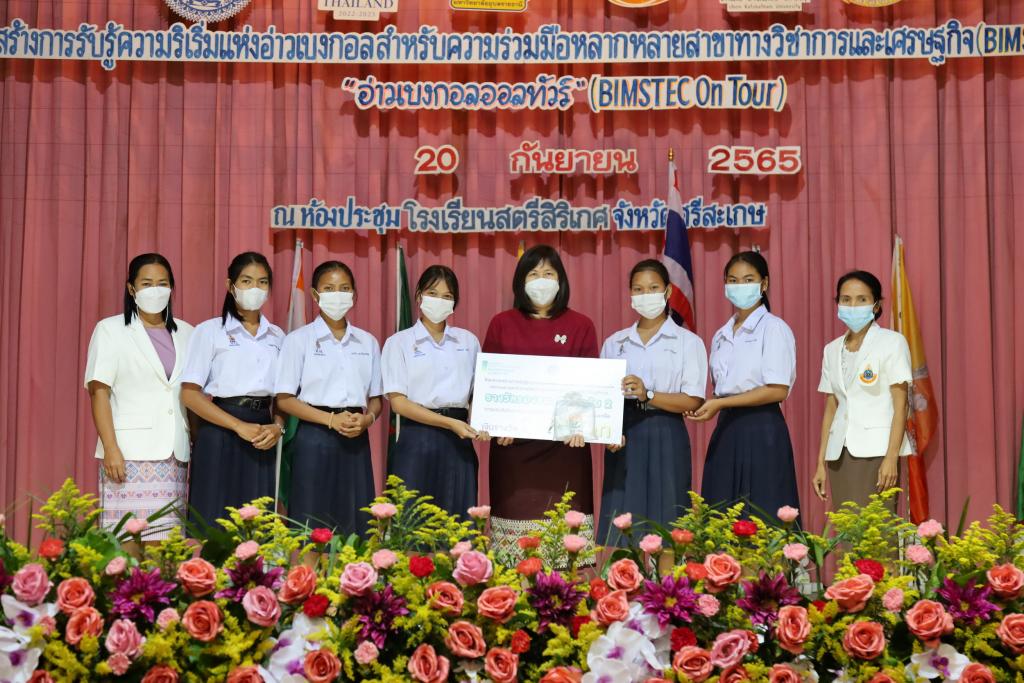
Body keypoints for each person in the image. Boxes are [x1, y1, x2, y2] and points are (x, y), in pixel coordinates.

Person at [482, 244, 598, 561]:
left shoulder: (581, 325)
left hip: (566, 450)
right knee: (515, 561)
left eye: (549, 273)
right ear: (521, 281)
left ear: (561, 280)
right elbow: (488, 384)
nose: (541, 280)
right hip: (512, 452)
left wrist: (584, 426)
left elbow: (590, 389)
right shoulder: (501, 323)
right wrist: (497, 424)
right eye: (534, 274)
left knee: (565, 558)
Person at [85, 253, 194, 548]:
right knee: (127, 545)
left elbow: (190, 394)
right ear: (131, 288)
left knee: (165, 549)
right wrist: (110, 448)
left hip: (174, 455)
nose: (155, 290)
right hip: (127, 454)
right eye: (147, 283)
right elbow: (98, 391)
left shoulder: (187, 333)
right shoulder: (110, 330)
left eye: (162, 283)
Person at [599, 260, 707, 542]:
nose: (645, 295)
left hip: (666, 431)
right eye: (638, 289)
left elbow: (693, 400)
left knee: (668, 522)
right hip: (625, 434)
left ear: (668, 291)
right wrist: (608, 432)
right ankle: (625, 571)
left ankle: (667, 573)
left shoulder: (688, 342)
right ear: (630, 294)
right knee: (624, 525)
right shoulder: (615, 342)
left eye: (653, 288)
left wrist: (649, 394)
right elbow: (602, 399)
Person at [689, 250, 800, 522]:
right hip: (726, 429)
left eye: (748, 280)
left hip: (762, 429)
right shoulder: (721, 334)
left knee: (764, 515)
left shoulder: (774, 328)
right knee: (722, 513)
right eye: (733, 280)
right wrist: (705, 406)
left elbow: (777, 389)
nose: (740, 286)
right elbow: (720, 388)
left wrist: (720, 403)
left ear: (764, 283)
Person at [275, 261, 382, 534]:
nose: (338, 295)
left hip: (356, 436)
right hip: (314, 436)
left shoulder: (368, 342)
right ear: (315, 294)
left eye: (344, 288)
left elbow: (376, 399)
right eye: (329, 288)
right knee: (311, 524)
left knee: (356, 525)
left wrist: (368, 419)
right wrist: (331, 420)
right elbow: (285, 399)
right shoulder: (298, 340)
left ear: (354, 294)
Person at [180, 252, 284, 527]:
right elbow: (189, 394)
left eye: (262, 282)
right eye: (246, 281)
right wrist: (238, 426)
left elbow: (283, 397)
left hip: (262, 433)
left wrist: (277, 427)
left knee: (257, 523)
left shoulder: (278, 336)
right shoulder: (209, 331)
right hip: (220, 428)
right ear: (230, 285)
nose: (255, 288)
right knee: (215, 520)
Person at [382, 265, 487, 516]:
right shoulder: (399, 342)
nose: (439, 300)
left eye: (447, 296)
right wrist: (449, 423)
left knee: (459, 520)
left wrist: (484, 421)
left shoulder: (468, 341)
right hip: (417, 439)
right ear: (419, 295)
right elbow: (398, 403)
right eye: (432, 293)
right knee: (414, 522)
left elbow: (479, 394)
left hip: (459, 442)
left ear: (454, 302)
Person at [813, 270, 911, 511]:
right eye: (846, 299)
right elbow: (831, 408)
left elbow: (901, 406)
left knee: (877, 527)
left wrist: (891, 457)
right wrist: (820, 462)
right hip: (838, 453)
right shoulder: (831, 349)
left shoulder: (892, 342)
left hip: (877, 451)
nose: (853, 306)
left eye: (862, 299)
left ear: (876, 305)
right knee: (847, 527)